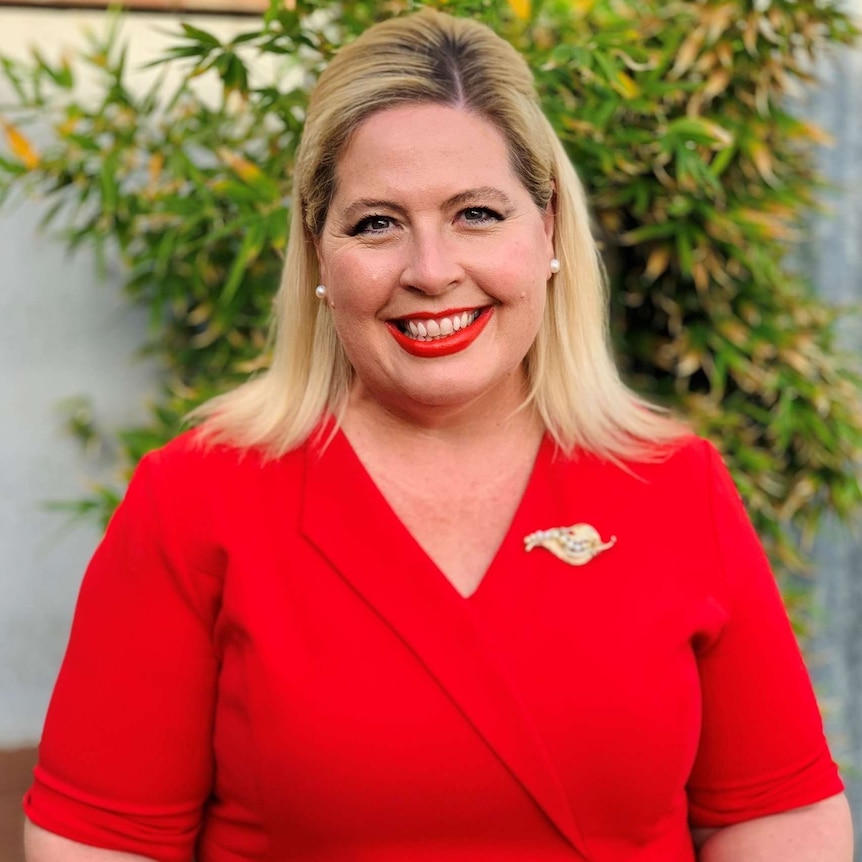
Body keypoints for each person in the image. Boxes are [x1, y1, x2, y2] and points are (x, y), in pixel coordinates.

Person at [23, 8, 852, 862]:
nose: (429, 270)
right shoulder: (199, 496)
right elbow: (99, 841)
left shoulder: (672, 484)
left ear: (548, 229)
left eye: (477, 214)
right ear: (318, 255)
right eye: (376, 223)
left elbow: (776, 815)